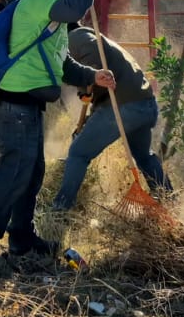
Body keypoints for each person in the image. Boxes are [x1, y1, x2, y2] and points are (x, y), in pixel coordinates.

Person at [0, 0, 113, 277]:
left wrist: (92, 76)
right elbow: (75, 7)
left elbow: (61, 62)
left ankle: (22, 239)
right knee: (14, 173)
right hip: (14, 104)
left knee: (32, 172)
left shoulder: (52, 18)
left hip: (28, 106)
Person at [50, 27, 169, 211]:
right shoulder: (98, 38)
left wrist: (85, 86)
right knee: (144, 156)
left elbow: (95, 67)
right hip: (144, 105)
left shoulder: (76, 37)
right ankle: (169, 202)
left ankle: (59, 209)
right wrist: (86, 94)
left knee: (78, 153)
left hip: (122, 107)